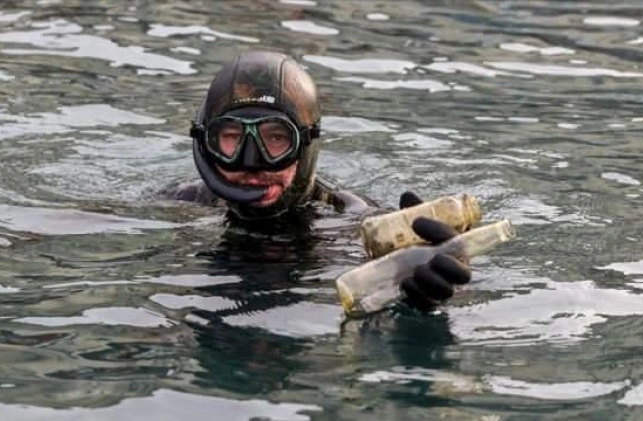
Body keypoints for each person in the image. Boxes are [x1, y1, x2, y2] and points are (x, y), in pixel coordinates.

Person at [161, 50, 471, 313]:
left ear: (307, 146)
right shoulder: (182, 204)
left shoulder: (351, 221)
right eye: (231, 138)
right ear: (206, 144)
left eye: (277, 138)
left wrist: (425, 275)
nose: (252, 162)